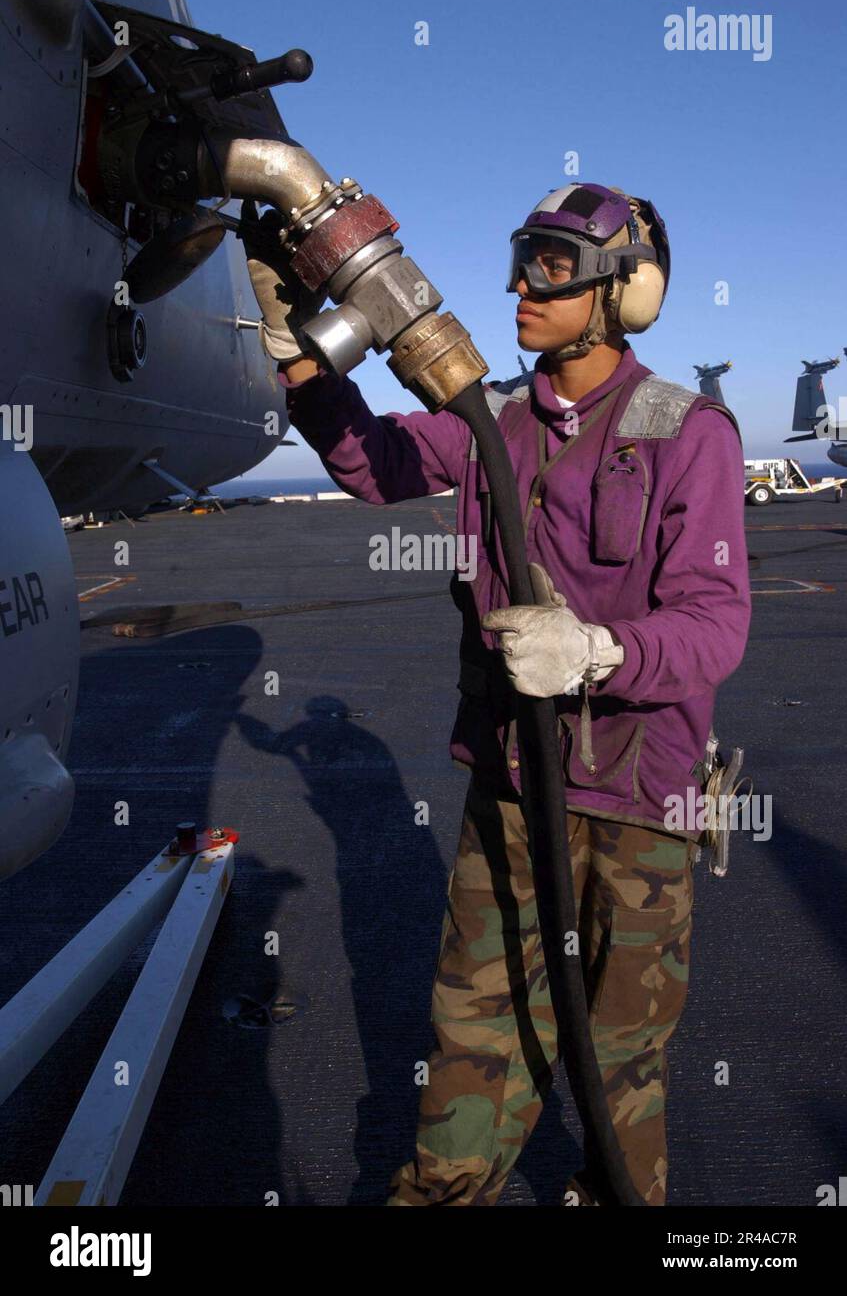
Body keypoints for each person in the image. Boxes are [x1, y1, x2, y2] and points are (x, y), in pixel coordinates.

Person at [243, 182, 752, 1206]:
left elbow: (714, 626)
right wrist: (304, 364)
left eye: (554, 266)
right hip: (513, 795)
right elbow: (375, 464)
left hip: (642, 807)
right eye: (521, 256)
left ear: (624, 293)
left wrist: (596, 650)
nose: (521, 283)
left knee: (618, 1064)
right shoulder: (498, 417)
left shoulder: (685, 431)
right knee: (474, 1038)